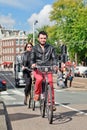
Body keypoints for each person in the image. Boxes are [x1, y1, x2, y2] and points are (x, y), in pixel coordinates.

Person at [31, 31, 57, 111]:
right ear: (38, 39)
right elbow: (32, 58)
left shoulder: (51, 48)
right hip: (38, 68)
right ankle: (37, 93)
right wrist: (33, 64)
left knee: (50, 83)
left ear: (46, 38)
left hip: (48, 68)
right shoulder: (34, 48)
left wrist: (55, 65)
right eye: (41, 38)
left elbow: (54, 58)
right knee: (39, 79)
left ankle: (51, 103)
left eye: (44, 38)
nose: (43, 40)